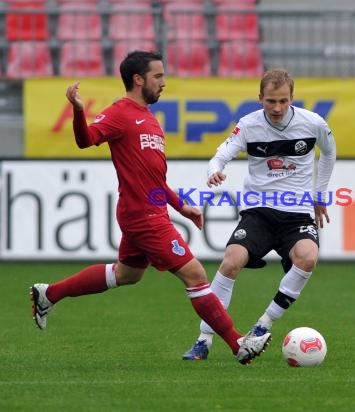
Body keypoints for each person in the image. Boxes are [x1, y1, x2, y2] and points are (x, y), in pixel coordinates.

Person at [29, 50, 271, 365]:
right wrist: (77, 111)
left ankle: (49, 293)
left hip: (149, 211)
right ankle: (238, 343)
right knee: (196, 274)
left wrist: (181, 207)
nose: (164, 83)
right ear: (138, 79)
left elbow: (154, 178)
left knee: (127, 274)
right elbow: (86, 139)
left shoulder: (150, 119)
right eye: (158, 76)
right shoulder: (119, 113)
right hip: (142, 217)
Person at [182, 68, 336, 360]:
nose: (277, 108)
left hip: (297, 213)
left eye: (283, 101)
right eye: (270, 101)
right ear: (259, 99)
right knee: (231, 262)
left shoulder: (313, 123)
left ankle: (263, 325)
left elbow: (329, 152)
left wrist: (320, 194)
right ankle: (204, 339)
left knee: (308, 257)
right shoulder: (248, 125)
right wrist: (215, 170)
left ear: (292, 98)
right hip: (259, 212)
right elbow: (221, 154)